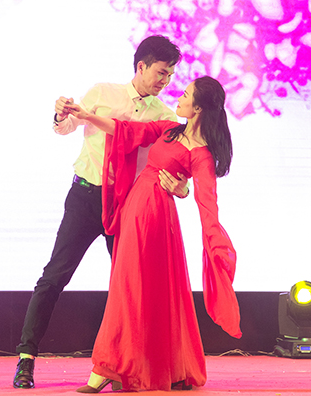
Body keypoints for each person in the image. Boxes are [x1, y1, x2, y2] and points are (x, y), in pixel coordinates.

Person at [13, 36, 187, 390]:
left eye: (170, 75)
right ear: (141, 66)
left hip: (126, 206)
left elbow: (175, 163)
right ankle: (26, 358)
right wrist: (61, 113)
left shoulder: (164, 116)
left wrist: (181, 186)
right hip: (85, 197)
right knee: (54, 277)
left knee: (131, 289)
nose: (165, 81)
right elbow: (66, 127)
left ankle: (128, 366)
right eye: (161, 72)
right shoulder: (103, 93)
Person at [68, 76, 241, 393]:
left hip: (156, 218)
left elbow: (208, 204)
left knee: (136, 289)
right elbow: (125, 131)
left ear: (198, 108)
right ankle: (131, 366)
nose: (179, 97)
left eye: (186, 94)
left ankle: (110, 367)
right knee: (131, 287)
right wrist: (86, 115)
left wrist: (215, 243)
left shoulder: (201, 155)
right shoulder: (169, 129)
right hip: (134, 209)